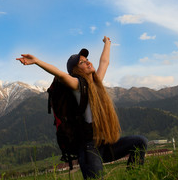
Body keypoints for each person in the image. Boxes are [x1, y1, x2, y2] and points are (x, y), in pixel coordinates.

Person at [16, 36, 148, 179]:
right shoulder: (77, 85)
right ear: (76, 70)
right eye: (82, 62)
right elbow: (59, 74)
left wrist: (107, 44)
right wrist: (36, 61)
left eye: (87, 60)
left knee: (140, 142)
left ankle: (133, 175)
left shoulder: (96, 83)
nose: (87, 62)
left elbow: (104, 62)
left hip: (105, 143)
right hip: (89, 148)